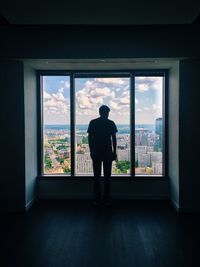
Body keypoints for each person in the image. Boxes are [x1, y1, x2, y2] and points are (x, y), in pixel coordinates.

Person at [87, 105, 118, 206]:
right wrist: (114, 152)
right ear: (107, 113)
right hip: (107, 152)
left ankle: (97, 199)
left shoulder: (93, 122)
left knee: (96, 176)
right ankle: (107, 199)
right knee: (107, 177)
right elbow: (114, 139)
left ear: (99, 112)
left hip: (96, 152)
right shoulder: (110, 123)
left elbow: (89, 138)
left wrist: (91, 150)